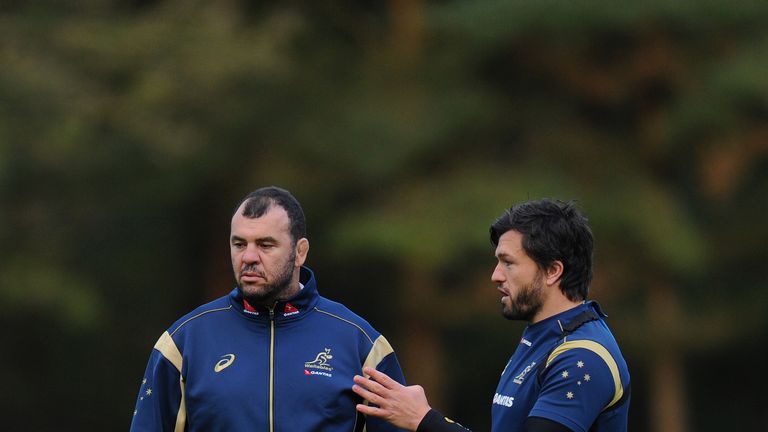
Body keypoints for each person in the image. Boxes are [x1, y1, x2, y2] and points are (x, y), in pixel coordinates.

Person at [130, 186, 406, 431]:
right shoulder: (183, 342)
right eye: (239, 244)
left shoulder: (360, 343)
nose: (249, 257)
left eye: (265, 245)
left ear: (300, 252)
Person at [352, 199, 630, 432]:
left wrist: (425, 420)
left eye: (508, 263)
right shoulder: (545, 335)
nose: (495, 276)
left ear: (553, 271)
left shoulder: (582, 358)